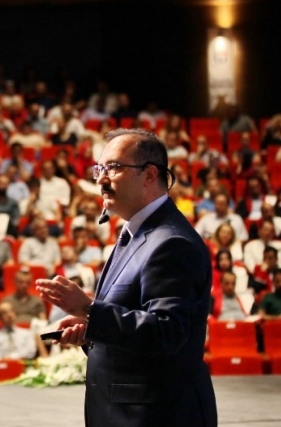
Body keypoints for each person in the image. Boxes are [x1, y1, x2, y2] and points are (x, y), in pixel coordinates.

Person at [36, 128, 216, 426]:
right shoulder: (134, 234)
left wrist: (89, 310)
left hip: (157, 415)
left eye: (114, 168)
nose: (102, 179)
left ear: (149, 175)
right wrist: (91, 326)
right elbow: (132, 319)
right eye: (100, 169)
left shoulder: (172, 242)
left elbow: (167, 332)